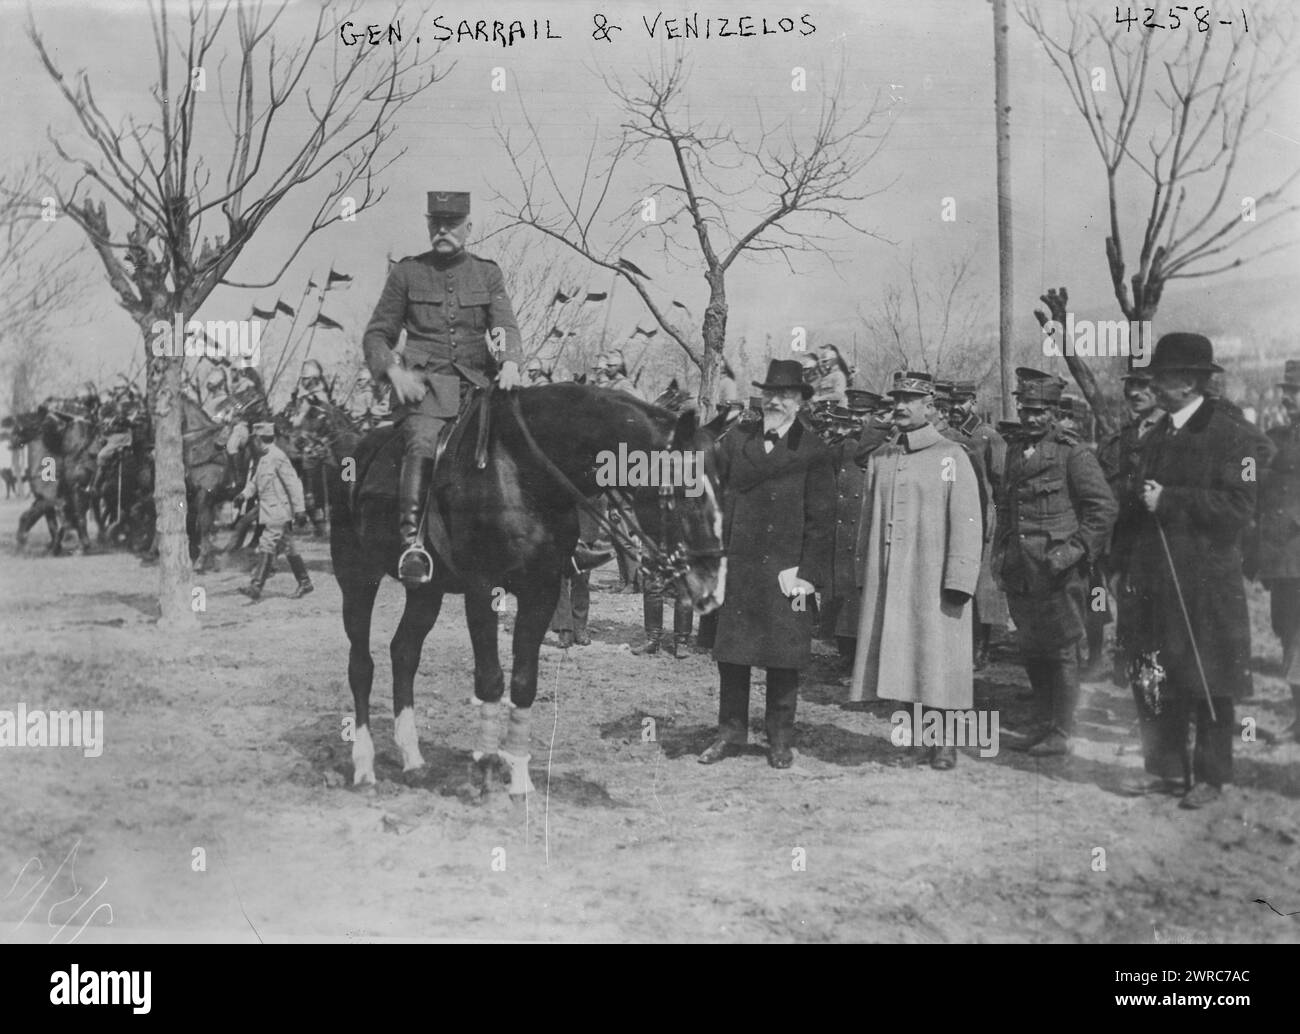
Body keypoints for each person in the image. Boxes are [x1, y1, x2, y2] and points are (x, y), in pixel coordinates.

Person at [1116, 333, 1261, 807]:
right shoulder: (1158, 432)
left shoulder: (1232, 435)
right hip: (1154, 577)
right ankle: (1165, 771)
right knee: (1156, 675)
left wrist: (1170, 500)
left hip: (1204, 581)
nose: (1153, 382)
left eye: (1163, 374)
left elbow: (1239, 507)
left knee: (1208, 678)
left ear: (1190, 380)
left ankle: (1211, 778)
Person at [362, 190, 523, 586]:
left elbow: (502, 326)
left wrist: (511, 362)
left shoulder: (487, 273)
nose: (443, 230)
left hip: (480, 387)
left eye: (452, 224)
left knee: (529, 439)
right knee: (421, 441)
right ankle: (412, 543)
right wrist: (393, 372)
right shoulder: (406, 273)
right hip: (426, 389)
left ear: (468, 227)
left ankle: (555, 541)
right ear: (428, 225)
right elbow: (377, 334)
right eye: (436, 223)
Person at [700, 359, 834, 769]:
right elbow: (710, 493)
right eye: (770, 394)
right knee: (733, 658)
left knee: (784, 660)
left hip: (786, 574)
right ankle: (730, 735)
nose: (776, 401)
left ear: (799, 402)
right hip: (739, 566)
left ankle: (779, 741)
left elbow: (823, 521)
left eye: (786, 395)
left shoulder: (813, 450)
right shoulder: (737, 439)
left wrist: (807, 576)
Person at [848, 372, 984, 770]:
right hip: (892, 578)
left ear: (930, 407)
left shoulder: (950, 457)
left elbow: (967, 520)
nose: (902, 406)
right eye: (898, 399)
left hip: (935, 578)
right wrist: (864, 575)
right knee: (902, 656)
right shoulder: (882, 459)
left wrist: (960, 579)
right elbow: (866, 523)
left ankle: (944, 743)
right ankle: (914, 739)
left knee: (938, 659)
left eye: (911, 400)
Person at [994, 369, 1116, 758]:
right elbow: (1007, 506)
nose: (1030, 418)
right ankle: (1043, 723)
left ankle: (1062, 730)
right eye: (1026, 409)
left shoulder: (1072, 453)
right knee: (1031, 649)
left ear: (1053, 411)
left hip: (1056, 570)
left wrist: (1072, 552)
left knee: (1062, 650)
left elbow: (1103, 509)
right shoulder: (1015, 449)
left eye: (1039, 411)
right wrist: (1001, 554)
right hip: (1020, 569)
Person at [1250, 359, 1300, 741]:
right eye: (1287, 390)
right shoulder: (1276, 437)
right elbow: (1255, 486)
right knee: (1285, 629)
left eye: (1296, 391)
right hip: (1281, 555)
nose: (1289, 398)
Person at [949, 380, 1009, 668]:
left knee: (982, 588)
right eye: (951, 402)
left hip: (983, 516)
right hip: (955, 516)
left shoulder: (988, 437)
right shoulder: (946, 435)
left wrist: (996, 519)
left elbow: (1002, 483)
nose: (955, 408)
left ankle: (982, 648)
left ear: (973, 402)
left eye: (961, 402)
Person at [236, 421, 312, 602]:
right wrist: (243, 495)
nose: (253, 442)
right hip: (269, 510)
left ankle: (256, 586)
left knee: (267, 543)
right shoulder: (263, 457)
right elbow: (255, 482)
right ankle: (305, 582)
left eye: (255, 439)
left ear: (259, 439)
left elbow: (293, 483)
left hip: (279, 510)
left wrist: (300, 509)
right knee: (288, 547)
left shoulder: (278, 457)